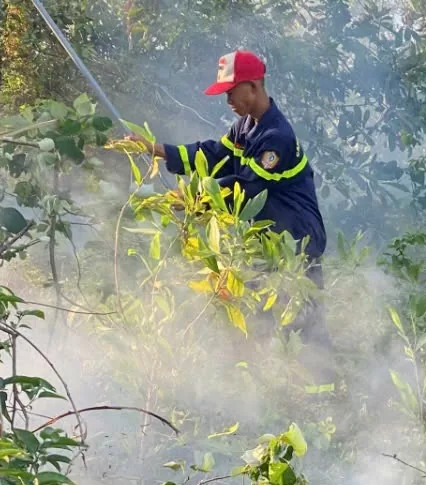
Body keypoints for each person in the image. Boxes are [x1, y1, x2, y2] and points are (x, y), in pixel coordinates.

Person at [127, 49, 330, 345]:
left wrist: (190, 200)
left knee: (304, 325)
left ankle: (324, 390)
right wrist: (153, 149)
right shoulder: (245, 127)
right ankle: (270, 384)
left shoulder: (277, 138)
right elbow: (212, 155)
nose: (228, 101)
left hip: (297, 242)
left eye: (231, 92)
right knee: (259, 318)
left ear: (254, 86)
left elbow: (247, 191)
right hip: (267, 239)